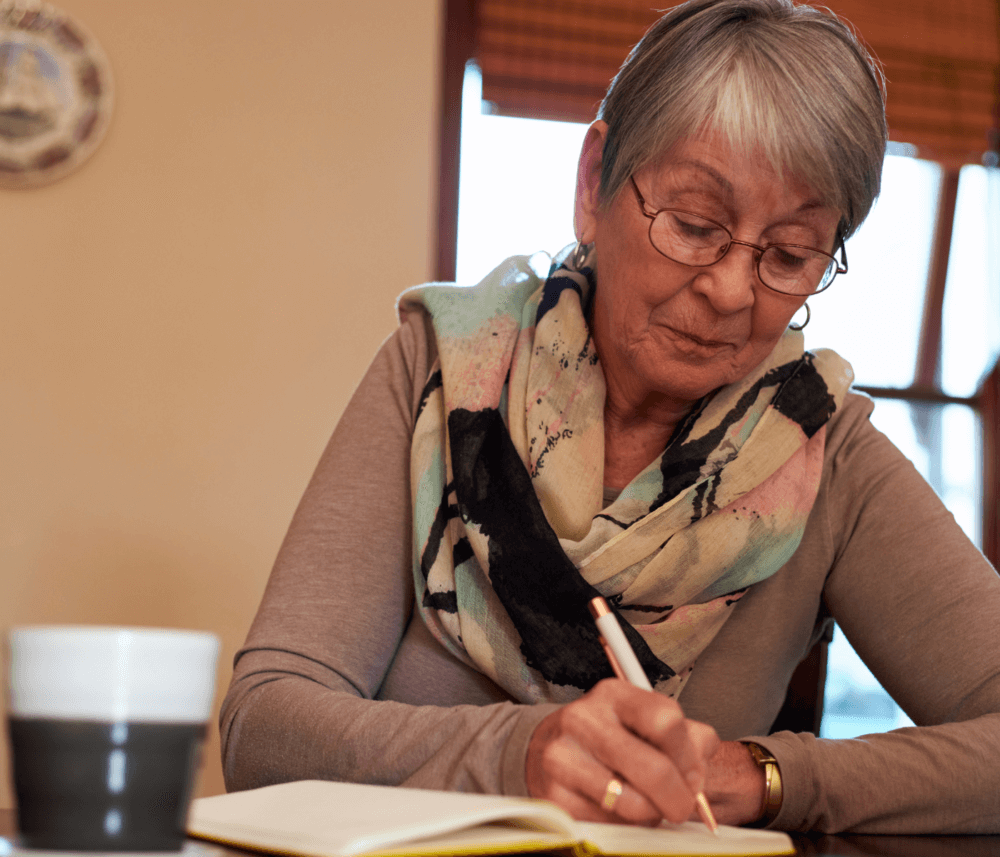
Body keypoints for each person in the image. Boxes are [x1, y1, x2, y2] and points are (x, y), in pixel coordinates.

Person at [220, 0, 1000, 834]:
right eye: (696, 226)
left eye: (788, 255)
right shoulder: (442, 376)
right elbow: (264, 726)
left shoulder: (822, 451)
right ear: (593, 185)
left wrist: (767, 772)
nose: (734, 290)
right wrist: (516, 755)